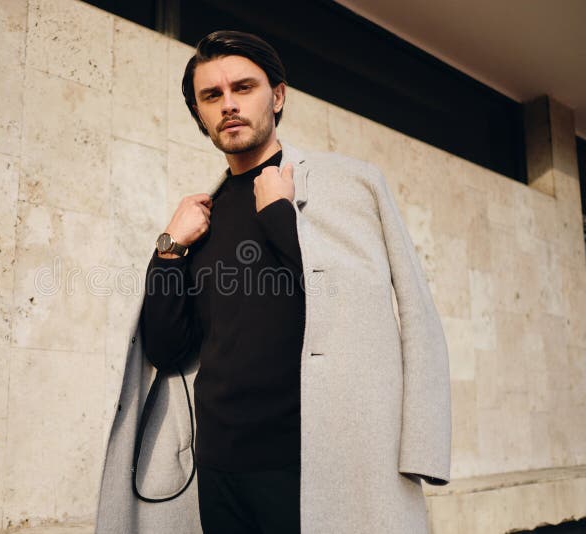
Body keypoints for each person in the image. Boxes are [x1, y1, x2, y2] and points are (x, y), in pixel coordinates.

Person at [95, 30, 451, 534]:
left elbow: (403, 310)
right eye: (212, 96)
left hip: (319, 464)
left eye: (244, 87)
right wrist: (168, 249)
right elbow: (168, 349)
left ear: (278, 95)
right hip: (219, 469)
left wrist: (281, 214)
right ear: (199, 114)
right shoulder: (204, 219)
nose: (229, 105)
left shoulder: (352, 183)